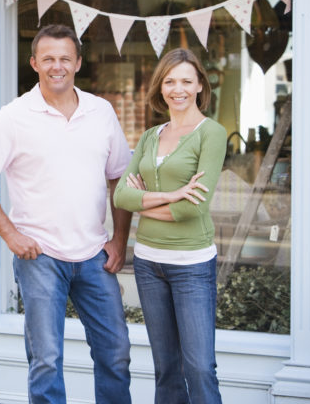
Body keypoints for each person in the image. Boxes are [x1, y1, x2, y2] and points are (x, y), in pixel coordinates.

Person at [0, 24, 133, 404]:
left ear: (77, 63)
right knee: (46, 360)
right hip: (39, 257)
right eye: (48, 59)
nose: (57, 66)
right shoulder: (14, 116)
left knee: (116, 353)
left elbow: (119, 180)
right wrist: (12, 235)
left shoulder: (100, 111)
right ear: (34, 63)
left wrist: (119, 240)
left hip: (94, 256)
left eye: (64, 58)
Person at [114, 48, 227, 403]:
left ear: (199, 86)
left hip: (191, 265)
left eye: (186, 81)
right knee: (166, 369)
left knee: (199, 368)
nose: (177, 89)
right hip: (148, 264)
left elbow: (194, 209)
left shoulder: (212, 133)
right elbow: (120, 197)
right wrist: (174, 194)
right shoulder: (150, 135)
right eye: (170, 81)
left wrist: (146, 203)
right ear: (160, 87)